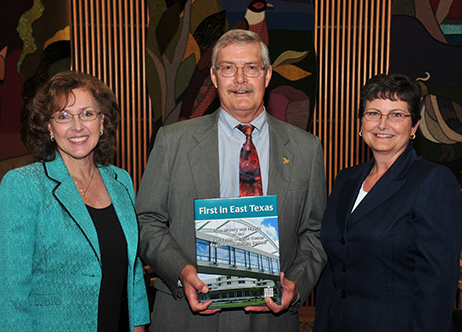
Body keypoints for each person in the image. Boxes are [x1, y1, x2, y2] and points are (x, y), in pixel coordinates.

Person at [136, 29, 327, 331]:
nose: (240, 79)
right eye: (228, 68)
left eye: (251, 68)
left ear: (267, 75)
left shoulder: (307, 149)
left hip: (270, 319)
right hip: (188, 316)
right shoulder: (173, 141)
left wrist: (296, 283)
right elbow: (147, 221)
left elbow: (315, 232)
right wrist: (182, 271)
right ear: (214, 77)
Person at [0, 71, 150, 331]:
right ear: (49, 127)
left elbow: (132, 268)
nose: (77, 126)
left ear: (102, 121)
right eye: (63, 116)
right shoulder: (23, 185)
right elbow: (5, 293)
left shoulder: (121, 181)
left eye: (87, 113)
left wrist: (139, 325)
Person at [314, 73, 462, 331]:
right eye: (373, 113)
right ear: (361, 123)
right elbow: (334, 266)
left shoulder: (433, 182)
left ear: (414, 126)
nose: (382, 124)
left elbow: (437, 285)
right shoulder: (345, 179)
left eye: (396, 115)